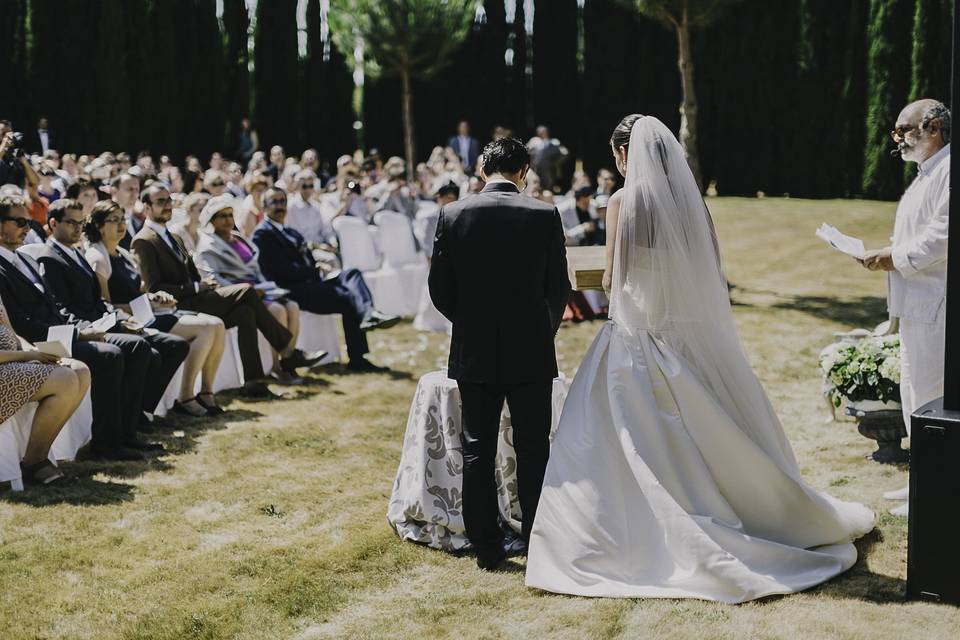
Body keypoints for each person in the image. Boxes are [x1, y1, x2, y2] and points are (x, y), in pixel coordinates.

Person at [525, 115, 874, 601]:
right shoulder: (691, 206)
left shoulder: (623, 201)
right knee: (708, 428)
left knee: (620, 435)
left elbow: (611, 279)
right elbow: (707, 274)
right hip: (683, 334)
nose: (618, 165)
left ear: (626, 154)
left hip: (638, 333)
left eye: (617, 155)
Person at [428, 137, 571, 570]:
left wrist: (470, 323)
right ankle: (535, 538)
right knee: (533, 449)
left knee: (476, 449)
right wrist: (540, 330)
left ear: (481, 169)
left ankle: (487, 550)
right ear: (523, 171)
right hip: (531, 349)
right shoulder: (544, 214)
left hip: (475, 351)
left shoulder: (453, 214)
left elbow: (440, 290)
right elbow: (557, 287)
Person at [131, 183, 322, 397]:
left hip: (200, 295)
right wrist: (197, 286)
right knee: (246, 292)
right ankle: (287, 351)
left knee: (245, 313)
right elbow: (153, 288)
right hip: (178, 307)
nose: (167, 205)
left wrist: (204, 283)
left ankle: (253, 382)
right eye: (160, 202)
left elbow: (191, 272)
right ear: (146, 207)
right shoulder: (143, 240)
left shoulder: (173, 236)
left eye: (168, 200)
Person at [0, 194, 152, 460]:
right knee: (110, 355)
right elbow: (21, 323)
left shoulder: (24, 260)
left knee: (136, 347)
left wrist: (84, 329)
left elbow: (55, 309)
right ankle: (106, 443)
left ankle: (124, 434)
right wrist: (78, 333)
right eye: (20, 221)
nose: (27, 227)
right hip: (40, 342)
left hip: (61, 334)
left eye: (28, 221)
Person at [861, 99, 951, 518]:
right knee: (912, 392)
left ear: (932, 127)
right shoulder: (925, 174)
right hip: (915, 303)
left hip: (937, 302)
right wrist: (889, 253)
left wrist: (892, 257)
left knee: (932, 394)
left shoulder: (949, 170)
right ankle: (923, 477)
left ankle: (936, 488)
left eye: (904, 129)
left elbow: (941, 238)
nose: (897, 138)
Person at [36, 199, 189, 431]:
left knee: (170, 347)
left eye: (80, 222)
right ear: (53, 224)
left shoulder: (75, 253)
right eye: (71, 223)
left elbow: (99, 301)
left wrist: (119, 318)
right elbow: (61, 308)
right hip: (85, 328)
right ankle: (121, 430)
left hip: (105, 320)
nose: (77, 228)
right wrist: (88, 331)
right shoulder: (50, 257)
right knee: (139, 349)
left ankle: (135, 418)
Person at [84, 200, 226, 417]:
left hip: (147, 314)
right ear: (99, 225)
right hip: (130, 321)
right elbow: (106, 306)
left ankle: (206, 392)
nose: (122, 224)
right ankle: (186, 396)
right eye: (114, 220)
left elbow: (140, 293)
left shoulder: (122, 253)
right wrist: (145, 305)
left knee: (216, 324)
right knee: (205, 328)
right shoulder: (97, 258)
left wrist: (156, 298)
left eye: (123, 219)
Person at [252, 188, 400, 372]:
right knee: (348, 298)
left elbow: (305, 257)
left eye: (283, 201)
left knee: (352, 274)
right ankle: (358, 358)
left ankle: (369, 314)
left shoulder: (290, 231)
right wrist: (315, 271)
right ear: (264, 207)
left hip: (310, 281)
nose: (280, 206)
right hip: (292, 290)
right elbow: (282, 271)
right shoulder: (263, 234)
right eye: (275, 202)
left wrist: (320, 265)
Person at [193, 195, 305, 383]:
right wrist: (246, 290)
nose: (228, 220)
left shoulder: (238, 238)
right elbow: (214, 278)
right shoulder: (208, 246)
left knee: (292, 306)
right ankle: (279, 365)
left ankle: (288, 363)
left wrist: (265, 286)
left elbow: (255, 268)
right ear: (212, 220)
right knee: (277, 310)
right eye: (222, 216)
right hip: (238, 294)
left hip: (260, 288)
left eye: (230, 215)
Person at [0, 296, 89, 485]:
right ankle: (34, 463)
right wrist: (27, 355)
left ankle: (38, 456)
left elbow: (13, 335)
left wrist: (33, 350)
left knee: (80, 371)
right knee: (64, 379)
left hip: (14, 361)